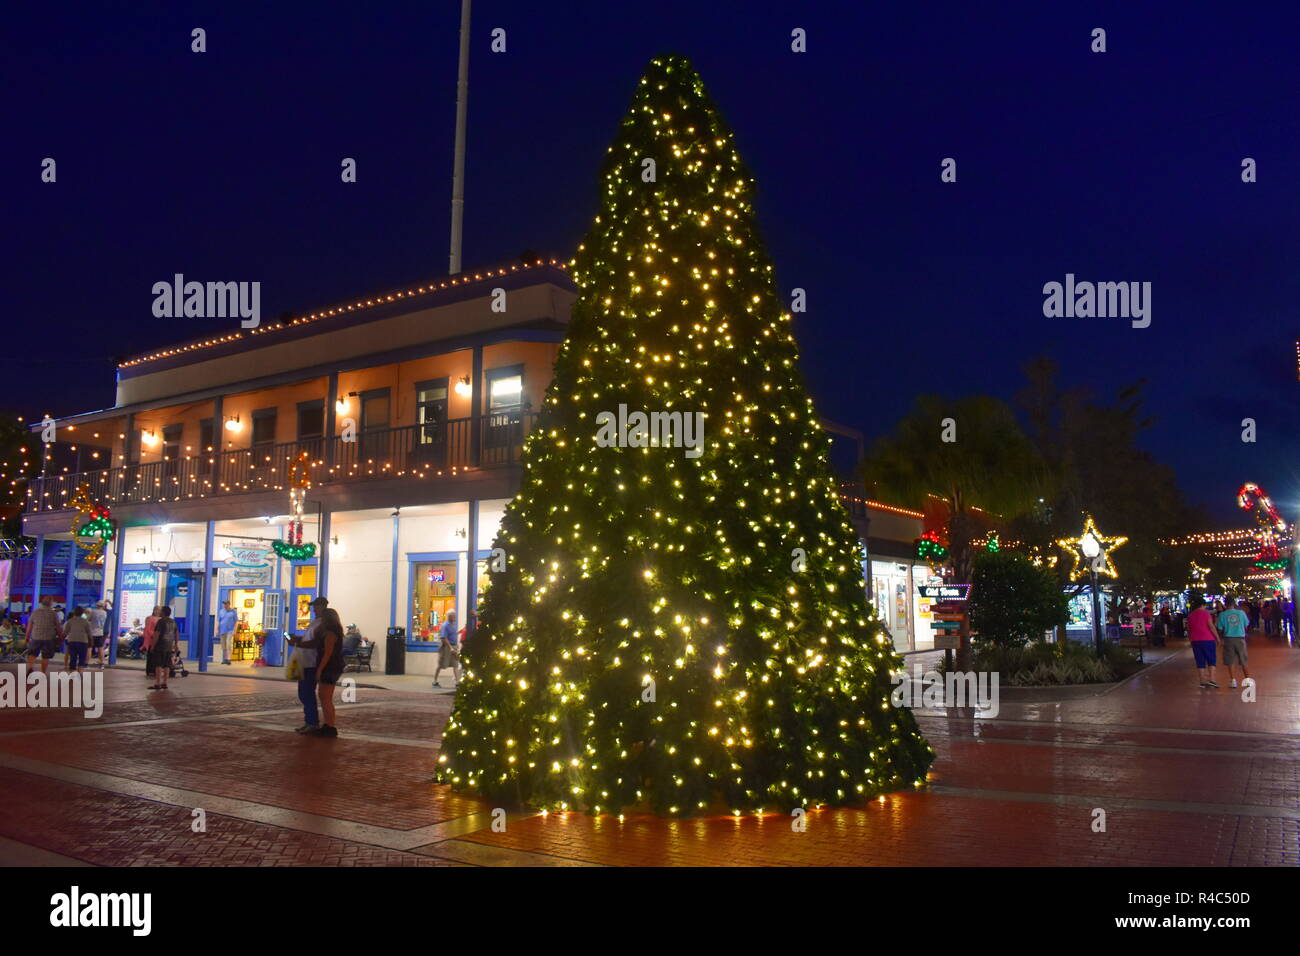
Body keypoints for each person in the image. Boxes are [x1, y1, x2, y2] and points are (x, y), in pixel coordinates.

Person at [307, 598, 345, 738]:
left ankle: (330, 726)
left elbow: (327, 653)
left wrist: (320, 669)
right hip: (333, 666)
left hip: (330, 667)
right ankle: (328, 724)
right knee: (325, 697)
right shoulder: (335, 632)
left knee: (325, 698)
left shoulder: (330, 634)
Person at [285, 607, 321, 734]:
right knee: (304, 693)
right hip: (305, 662)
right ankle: (309, 721)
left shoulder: (321, 624)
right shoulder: (315, 623)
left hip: (311, 663)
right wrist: (297, 639)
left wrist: (297, 643)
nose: (314, 610)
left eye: (316, 607)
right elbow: (309, 640)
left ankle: (312, 722)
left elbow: (315, 643)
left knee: (307, 693)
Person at [1185, 597, 1221, 689]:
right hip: (1208, 639)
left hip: (1195, 641)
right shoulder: (1206, 613)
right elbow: (1211, 626)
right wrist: (1217, 637)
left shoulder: (1190, 615)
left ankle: (1202, 681)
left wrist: (1190, 640)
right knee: (1211, 660)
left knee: (1200, 661)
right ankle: (1212, 680)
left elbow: (1188, 629)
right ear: (1202, 605)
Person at [25, 595, 64, 675]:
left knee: (32, 654)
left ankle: (30, 667)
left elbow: (30, 625)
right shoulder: (53, 613)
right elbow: (58, 626)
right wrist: (61, 636)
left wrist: (27, 636)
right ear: (51, 603)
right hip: (48, 638)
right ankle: (42, 673)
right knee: (45, 656)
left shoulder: (35, 612)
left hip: (36, 636)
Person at [1216, 599, 1251, 689]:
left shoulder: (1222, 615)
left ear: (1225, 604)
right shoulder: (1241, 613)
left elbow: (1220, 628)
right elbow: (1246, 624)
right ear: (1234, 604)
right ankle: (1247, 680)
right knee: (1243, 659)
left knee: (1230, 660)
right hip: (1240, 638)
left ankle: (1233, 680)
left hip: (1228, 639)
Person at [434, 609, 461, 688]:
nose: (455, 617)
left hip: (454, 646)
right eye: (453, 616)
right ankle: (435, 681)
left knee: (455, 664)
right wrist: (450, 647)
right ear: (449, 616)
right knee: (441, 665)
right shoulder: (445, 625)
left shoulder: (454, 625)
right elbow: (443, 638)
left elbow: (453, 635)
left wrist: (456, 645)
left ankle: (457, 682)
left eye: (455, 615)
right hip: (446, 647)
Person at [64, 606, 93, 672]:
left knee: (73, 658)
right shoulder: (85, 622)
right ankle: (79, 672)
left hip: (72, 641)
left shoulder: (70, 621)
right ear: (82, 613)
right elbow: (89, 633)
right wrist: (91, 642)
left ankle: (72, 673)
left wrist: (60, 639)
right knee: (81, 659)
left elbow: (65, 632)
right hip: (83, 642)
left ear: (74, 612)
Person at [141, 606, 161, 684]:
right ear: (154, 610)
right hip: (151, 640)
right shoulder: (150, 619)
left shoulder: (161, 619)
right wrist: (154, 635)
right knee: (151, 655)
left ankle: (155, 670)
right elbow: (148, 629)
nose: (158, 611)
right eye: (157, 610)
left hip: (159, 640)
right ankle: (150, 670)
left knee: (156, 656)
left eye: (159, 610)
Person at [87, 601, 109, 667]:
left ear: (97, 605)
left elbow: (88, 619)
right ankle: (102, 663)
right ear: (103, 606)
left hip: (92, 633)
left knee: (89, 648)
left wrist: (87, 613)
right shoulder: (105, 613)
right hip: (100, 633)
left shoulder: (93, 612)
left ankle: (86, 663)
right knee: (100, 648)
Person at [217, 600, 238, 665]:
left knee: (228, 644)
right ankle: (225, 658)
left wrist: (235, 630)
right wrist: (217, 629)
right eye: (224, 604)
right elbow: (218, 621)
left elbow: (236, 621)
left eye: (226, 604)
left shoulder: (233, 612)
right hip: (222, 630)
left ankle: (229, 659)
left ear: (229, 604)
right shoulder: (221, 611)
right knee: (223, 645)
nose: (225, 605)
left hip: (230, 630)